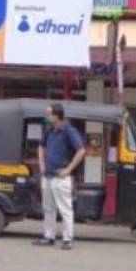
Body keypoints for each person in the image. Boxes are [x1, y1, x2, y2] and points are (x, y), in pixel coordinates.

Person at [33, 103, 85, 251]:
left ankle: (68, 239)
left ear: (57, 115)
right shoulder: (49, 130)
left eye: (49, 114)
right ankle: (48, 236)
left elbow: (81, 151)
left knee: (65, 209)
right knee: (48, 208)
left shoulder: (69, 130)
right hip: (48, 175)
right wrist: (41, 164)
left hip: (61, 176)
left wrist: (68, 170)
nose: (46, 116)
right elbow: (41, 147)